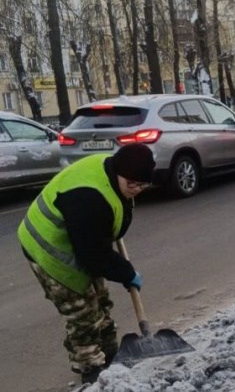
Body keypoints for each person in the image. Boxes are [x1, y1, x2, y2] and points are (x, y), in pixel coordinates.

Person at [19, 144, 155, 384]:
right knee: (81, 311)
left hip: (80, 237)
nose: (136, 189)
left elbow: (98, 240)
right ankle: (91, 370)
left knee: (101, 298)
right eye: (132, 183)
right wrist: (126, 272)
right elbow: (92, 254)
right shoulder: (89, 198)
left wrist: (117, 266)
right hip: (48, 246)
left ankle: (111, 354)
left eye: (142, 185)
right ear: (120, 173)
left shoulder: (115, 173)